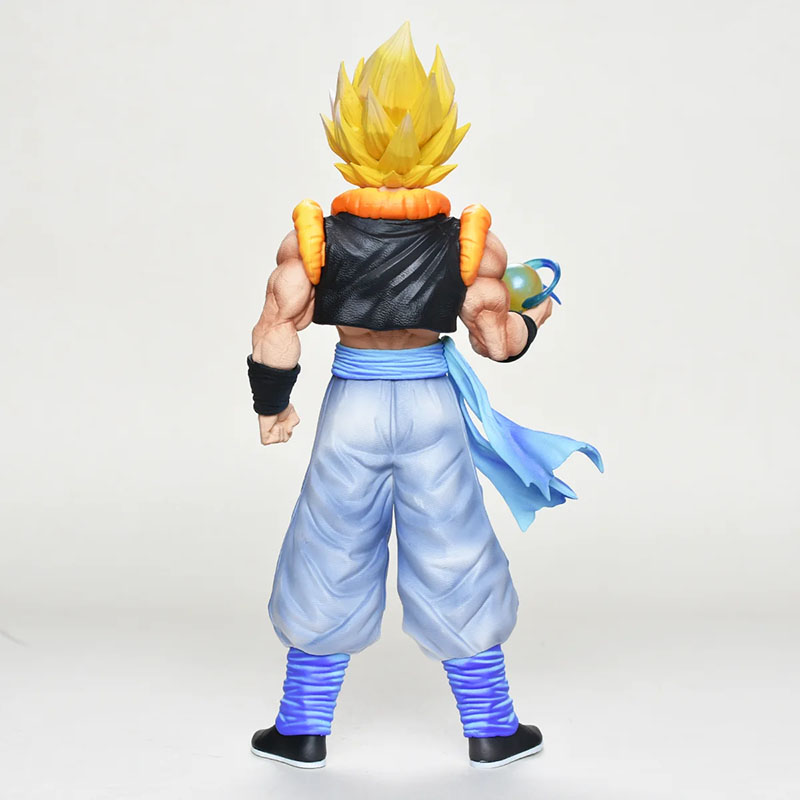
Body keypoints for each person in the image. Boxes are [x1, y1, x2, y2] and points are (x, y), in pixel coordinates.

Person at [246, 23, 602, 770]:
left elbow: (276, 324)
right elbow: (495, 341)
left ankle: (302, 727)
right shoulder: (470, 245)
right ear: (443, 135)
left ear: (346, 135)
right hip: (430, 408)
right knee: (455, 550)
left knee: (328, 548)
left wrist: (271, 405)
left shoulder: (312, 241)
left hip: (354, 406)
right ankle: (491, 727)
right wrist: (538, 314)